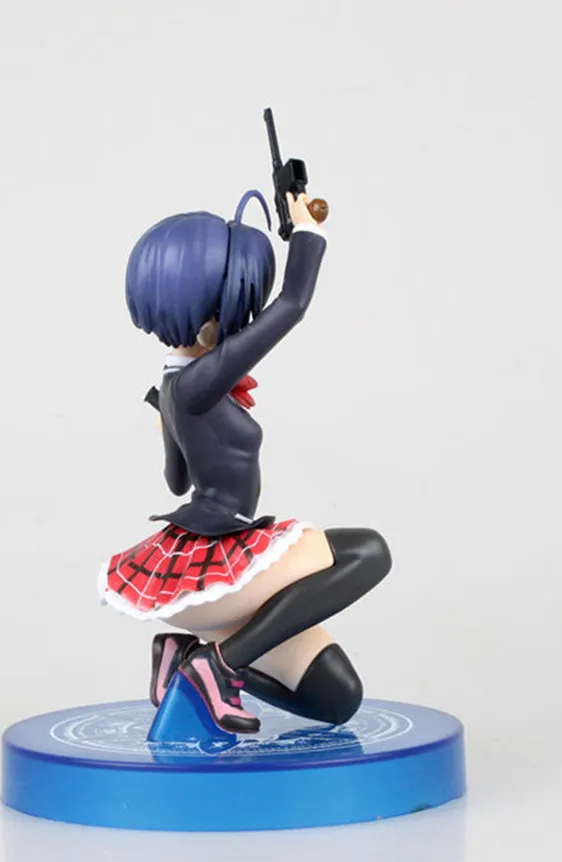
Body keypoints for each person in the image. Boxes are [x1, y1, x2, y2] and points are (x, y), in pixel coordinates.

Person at [98, 188, 391, 733]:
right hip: (222, 556)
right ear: (212, 314)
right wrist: (307, 231)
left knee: (338, 698)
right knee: (368, 551)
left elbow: (176, 480)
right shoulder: (196, 383)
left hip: (211, 568)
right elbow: (293, 305)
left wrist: (169, 423)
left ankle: (187, 656)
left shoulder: (175, 387)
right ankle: (221, 664)